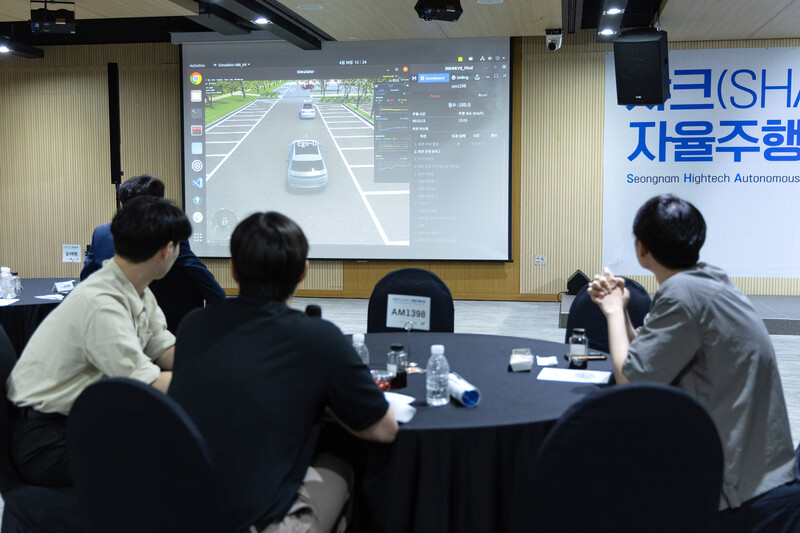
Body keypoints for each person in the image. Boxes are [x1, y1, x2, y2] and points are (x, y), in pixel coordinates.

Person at [168, 212, 397, 533]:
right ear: (303, 272)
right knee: (342, 464)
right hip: (255, 522)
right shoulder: (319, 337)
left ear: (233, 269)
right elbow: (384, 430)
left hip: (181, 509)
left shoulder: (193, 325)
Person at [588, 194, 799, 531]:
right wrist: (622, 310)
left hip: (740, 492)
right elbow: (653, 354)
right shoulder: (708, 280)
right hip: (767, 467)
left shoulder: (681, 294)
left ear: (641, 248)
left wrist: (613, 311)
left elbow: (632, 382)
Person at [6, 196, 190, 487]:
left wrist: (208, 366)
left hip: (81, 418)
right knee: (167, 464)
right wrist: (214, 382)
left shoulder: (137, 289)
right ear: (168, 250)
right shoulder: (101, 303)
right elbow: (145, 384)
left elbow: (164, 348)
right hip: (49, 440)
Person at [80, 174, 225, 333]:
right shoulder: (168, 236)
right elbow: (211, 288)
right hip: (162, 326)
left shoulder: (101, 234)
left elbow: (86, 278)